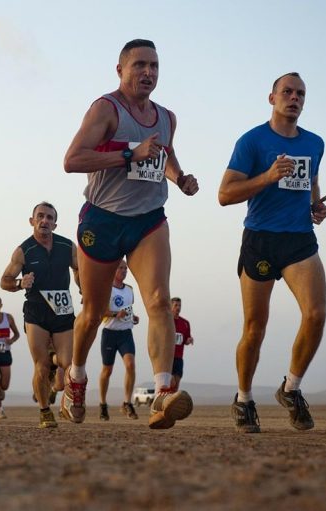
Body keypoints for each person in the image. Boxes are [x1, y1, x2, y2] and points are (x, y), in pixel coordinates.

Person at [63, 39, 198, 429]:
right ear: (120, 70)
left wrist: (180, 178)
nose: (148, 73)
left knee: (157, 300)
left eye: (154, 66)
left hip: (148, 220)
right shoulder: (106, 109)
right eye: (139, 65)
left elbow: (165, 156)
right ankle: (75, 377)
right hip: (102, 220)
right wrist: (127, 154)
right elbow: (72, 160)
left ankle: (162, 392)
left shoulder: (166, 117)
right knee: (92, 312)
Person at [218, 72, 326, 433]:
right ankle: (244, 399)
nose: (293, 98)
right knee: (255, 328)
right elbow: (224, 194)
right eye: (287, 92)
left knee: (315, 314)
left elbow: (310, 177)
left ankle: (291, 389)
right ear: (272, 98)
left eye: (300, 93)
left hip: (299, 240)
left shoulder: (315, 142)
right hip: (261, 239)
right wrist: (266, 177)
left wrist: (315, 205)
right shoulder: (252, 141)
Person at [1, 202, 78, 428]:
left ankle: (56, 362)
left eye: (49, 218)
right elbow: (4, 281)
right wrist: (19, 283)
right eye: (40, 216)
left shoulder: (67, 246)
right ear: (32, 221)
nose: (45, 221)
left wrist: (83, 287)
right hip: (36, 310)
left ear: (55, 223)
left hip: (62, 311)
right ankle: (45, 411)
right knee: (41, 365)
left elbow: (79, 269)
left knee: (67, 364)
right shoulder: (24, 250)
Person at [98, 260, 140, 420]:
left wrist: (132, 317)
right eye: (121, 268)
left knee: (130, 365)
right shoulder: (106, 288)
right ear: (113, 270)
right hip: (109, 333)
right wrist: (116, 315)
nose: (124, 271)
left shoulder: (129, 290)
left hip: (125, 333)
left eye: (125, 268)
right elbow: (100, 311)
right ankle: (103, 404)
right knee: (107, 370)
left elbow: (128, 309)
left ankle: (127, 402)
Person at [170, 297, 194, 391]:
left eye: (179, 305)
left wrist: (189, 340)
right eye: (176, 305)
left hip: (179, 357)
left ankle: (172, 403)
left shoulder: (185, 323)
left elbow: (186, 340)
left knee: (176, 383)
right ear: (171, 306)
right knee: (170, 382)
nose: (178, 307)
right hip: (168, 357)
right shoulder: (166, 321)